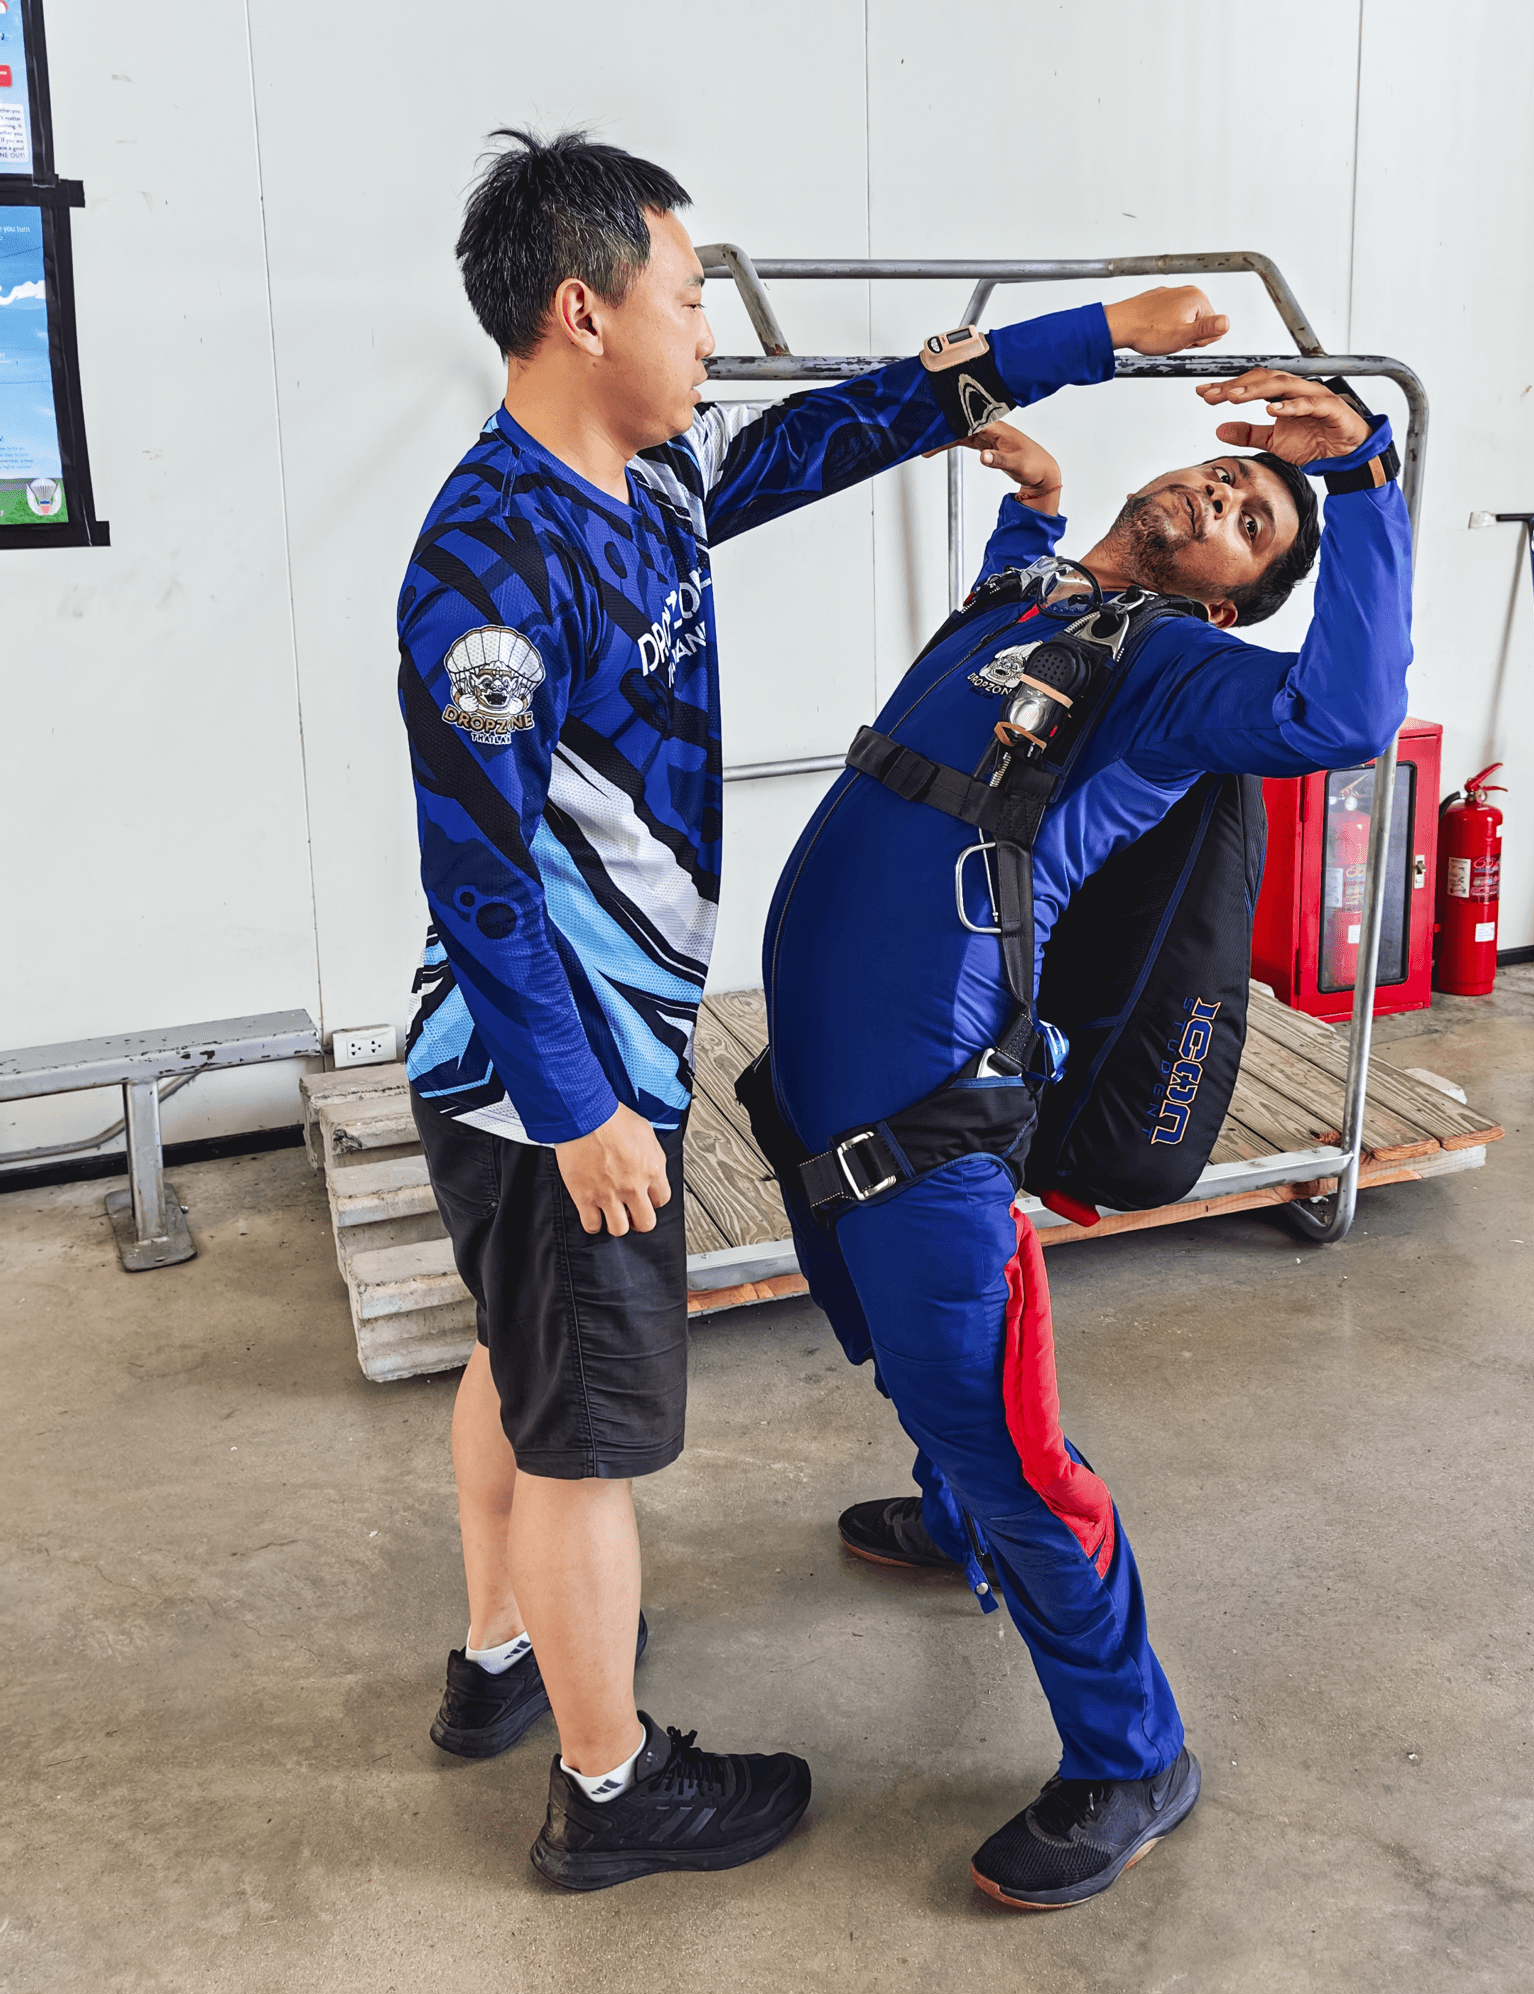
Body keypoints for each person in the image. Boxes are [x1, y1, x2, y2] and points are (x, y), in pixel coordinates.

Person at [395, 126, 1233, 1891]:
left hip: (565, 1059)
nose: (710, 327)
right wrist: (578, 1108)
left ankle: (498, 1664)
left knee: (513, 1356)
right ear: (581, 308)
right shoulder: (491, 567)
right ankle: (611, 1789)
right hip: (555, 1072)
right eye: (689, 296)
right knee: (583, 1434)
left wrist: (1095, 334)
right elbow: (476, 880)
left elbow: (842, 425)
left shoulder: (647, 479)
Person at [755, 371, 1414, 1908]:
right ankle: (951, 1520)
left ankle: (1133, 1755)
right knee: (908, 1364)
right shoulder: (1041, 604)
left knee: (1019, 1448)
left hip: (927, 1127)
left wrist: (1363, 484)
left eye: (1251, 524)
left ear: (1241, 600)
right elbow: (1005, 595)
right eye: (1223, 480)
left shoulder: (1179, 675)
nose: (1217, 499)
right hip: (823, 1090)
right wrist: (1037, 496)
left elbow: (1348, 711)